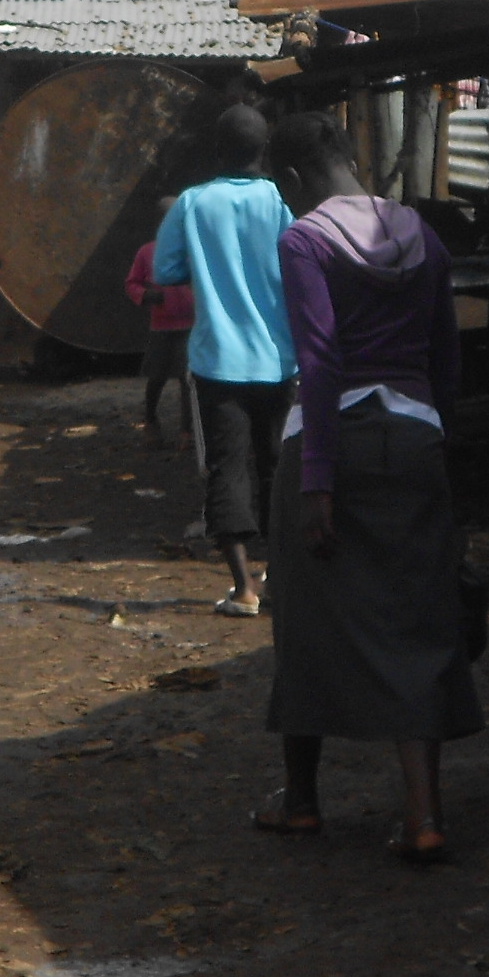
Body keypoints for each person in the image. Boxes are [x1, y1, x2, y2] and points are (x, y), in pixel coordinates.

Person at [253, 110, 479, 864]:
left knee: (306, 620)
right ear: (354, 157)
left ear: (290, 181)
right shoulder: (423, 237)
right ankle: (424, 816)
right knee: (416, 620)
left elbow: (318, 361)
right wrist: (438, 449)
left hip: (331, 445)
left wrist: (318, 479)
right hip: (415, 440)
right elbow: (449, 360)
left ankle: (303, 802)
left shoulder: (304, 240)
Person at [151, 105, 295, 618]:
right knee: (278, 467)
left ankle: (243, 590)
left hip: (217, 362)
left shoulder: (192, 203)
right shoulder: (282, 200)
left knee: (226, 468)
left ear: (217, 152)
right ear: (265, 150)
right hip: (280, 360)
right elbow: (301, 262)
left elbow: (166, 271)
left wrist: (211, 264)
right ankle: (280, 577)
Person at [125, 196, 196, 447]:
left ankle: (188, 431)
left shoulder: (192, 249)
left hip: (189, 326)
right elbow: (132, 283)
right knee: (156, 377)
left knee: (187, 380)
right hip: (161, 327)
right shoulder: (147, 252)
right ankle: (151, 421)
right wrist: (145, 296)